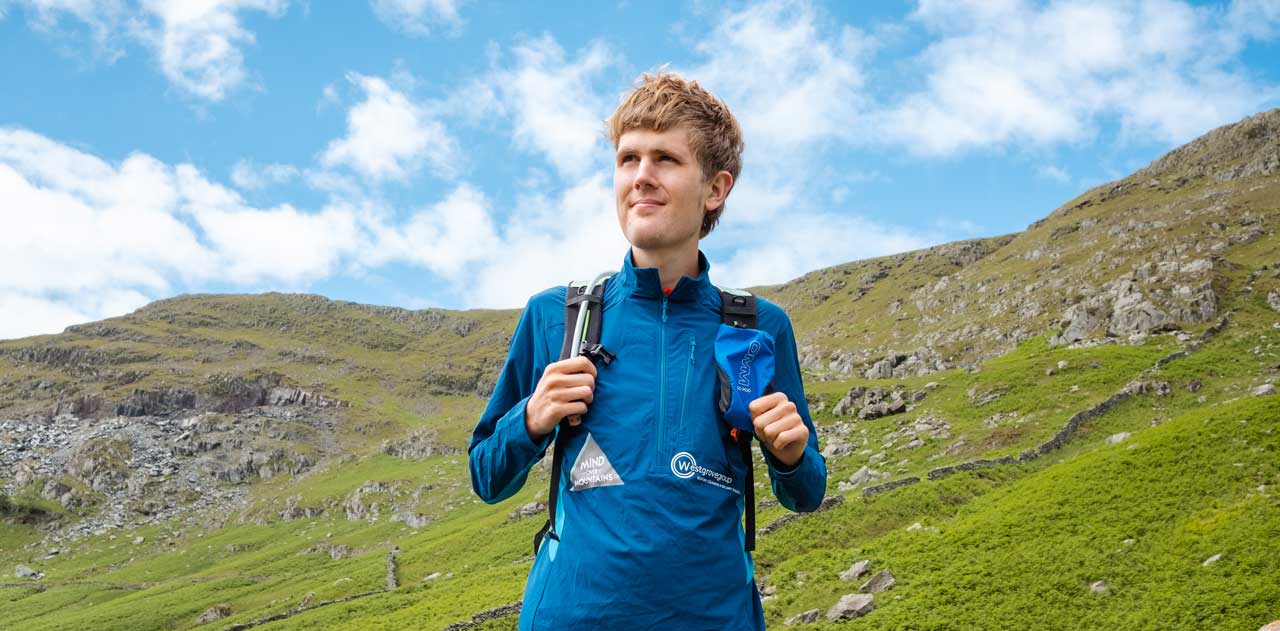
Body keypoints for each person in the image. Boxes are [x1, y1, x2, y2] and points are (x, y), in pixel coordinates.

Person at [468, 72, 827, 631]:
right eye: (628, 159)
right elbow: (487, 477)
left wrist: (791, 456)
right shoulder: (555, 316)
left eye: (665, 159)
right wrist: (531, 419)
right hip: (570, 616)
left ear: (716, 188)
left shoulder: (759, 328)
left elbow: (806, 493)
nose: (641, 177)